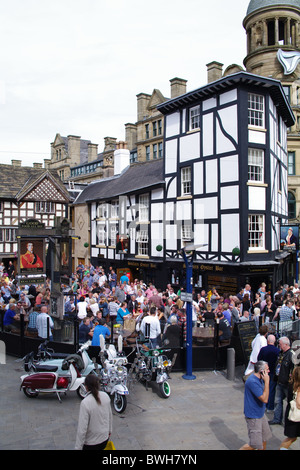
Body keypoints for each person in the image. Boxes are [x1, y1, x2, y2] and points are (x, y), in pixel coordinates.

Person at [239, 360, 272, 450]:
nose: (269, 371)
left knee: (264, 438)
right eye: (267, 369)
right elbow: (265, 399)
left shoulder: (259, 379)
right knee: (254, 445)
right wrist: (267, 382)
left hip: (260, 414)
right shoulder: (253, 382)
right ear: (262, 371)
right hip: (254, 417)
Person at [75, 374, 112, 450]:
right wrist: (109, 431)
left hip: (91, 444)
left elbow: (82, 429)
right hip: (104, 439)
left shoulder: (85, 403)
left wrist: (78, 448)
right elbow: (110, 416)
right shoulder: (105, 396)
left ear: (86, 387)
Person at [269, 336, 294, 425]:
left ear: (286, 344)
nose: (279, 346)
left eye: (280, 344)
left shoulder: (291, 355)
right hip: (279, 381)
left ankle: (291, 421)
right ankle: (277, 419)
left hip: (287, 383)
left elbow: (294, 369)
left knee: (290, 403)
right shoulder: (281, 353)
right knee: (277, 401)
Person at [257, 334, 280, 412]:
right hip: (273, 372)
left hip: (264, 372)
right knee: (272, 390)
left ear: (267, 341)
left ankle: (263, 405)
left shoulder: (263, 349)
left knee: (263, 389)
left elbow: (259, 359)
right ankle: (270, 407)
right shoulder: (277, 351)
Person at [279, 366, 300, 450]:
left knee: (292, 437)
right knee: (292, 437)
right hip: (296, 417)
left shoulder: (291, 384)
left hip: (291, 413)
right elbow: (298, 404)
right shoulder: (298, 388)